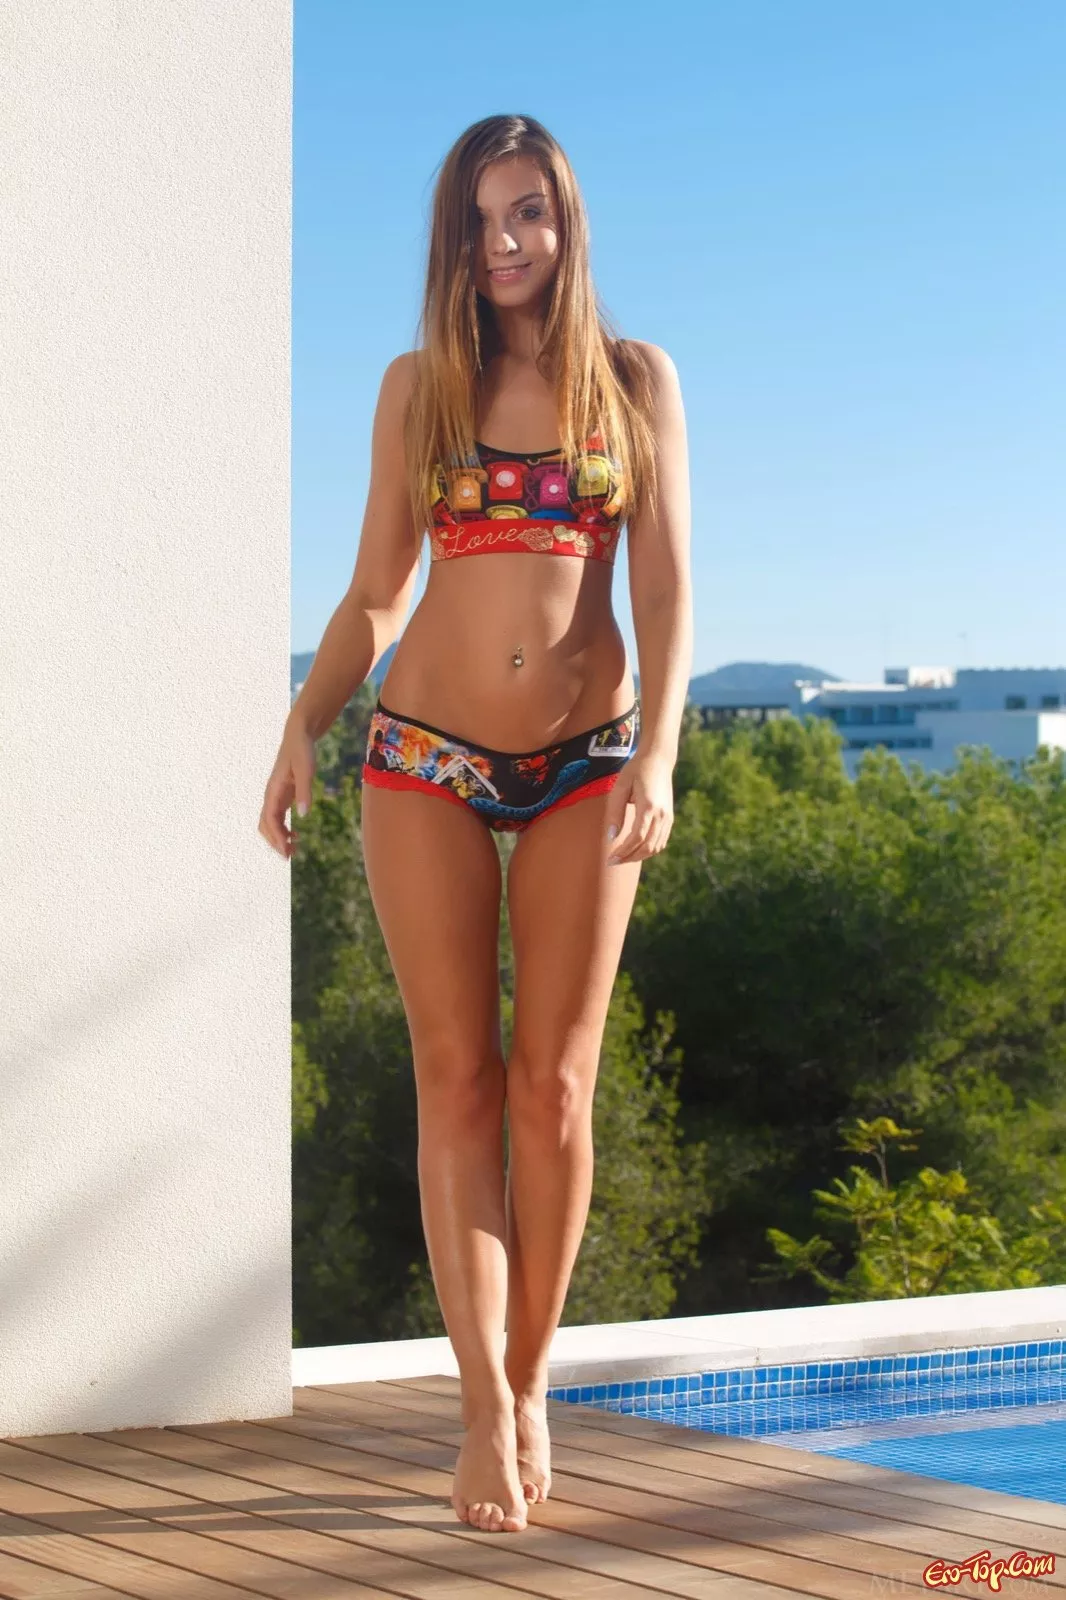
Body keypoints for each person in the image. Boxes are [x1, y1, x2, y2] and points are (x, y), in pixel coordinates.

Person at [260, 113, 692, 1535]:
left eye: (528, 214)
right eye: (479, 218)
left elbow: (665, 589)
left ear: (566, 224)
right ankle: (480, 1409)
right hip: (424, 756)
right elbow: (379, 589)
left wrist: (659, 756)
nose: (504, 242)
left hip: (589, 759)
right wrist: (304, 718)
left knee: (553, 1088)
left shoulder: (635, 381)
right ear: (451, 235)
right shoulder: (418, 387)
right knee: (455, 1082)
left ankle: (533, 1376)